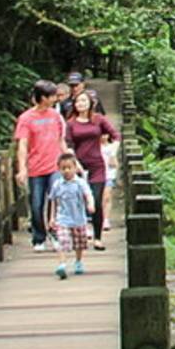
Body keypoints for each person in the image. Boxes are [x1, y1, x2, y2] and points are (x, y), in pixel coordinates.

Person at [14, 79, 66, 251]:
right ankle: (39, 237)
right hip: (36, 167)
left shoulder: (56, 116)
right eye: (51, 96)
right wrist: (22, 169)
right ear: (42, 97)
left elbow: (61, 140)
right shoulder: (26, 118)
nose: (55, 99)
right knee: (36, 204)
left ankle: (56, 233)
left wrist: (68, 160)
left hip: (55, 165)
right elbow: (22, 144)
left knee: (57, 198)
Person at [63, 87, 118, 247]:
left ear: (90, 103)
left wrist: (113, 152)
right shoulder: (71, 123)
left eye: (84, 101)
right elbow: (68, 144)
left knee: (96, 199)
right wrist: (75, 162)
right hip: (78, 166)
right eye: (78, 101)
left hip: (97, 165)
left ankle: (98, 237)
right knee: (80, 199)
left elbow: (115, 135)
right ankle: (82, 230)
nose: (81, 104)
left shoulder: (98, 119)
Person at [45, 152, 95, 279]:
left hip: (78, 218)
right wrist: (52, 218)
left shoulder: (80, 183)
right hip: (63, 219)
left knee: (79, 243)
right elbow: (53, 200)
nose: (66, 171)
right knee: (62, 241)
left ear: (75, 168)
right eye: (63, 168)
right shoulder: (57, 184)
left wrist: (90, 204)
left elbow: (88, 194)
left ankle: (78, 261)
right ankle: (62, 264)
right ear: (59, 169)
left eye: (69, 168)